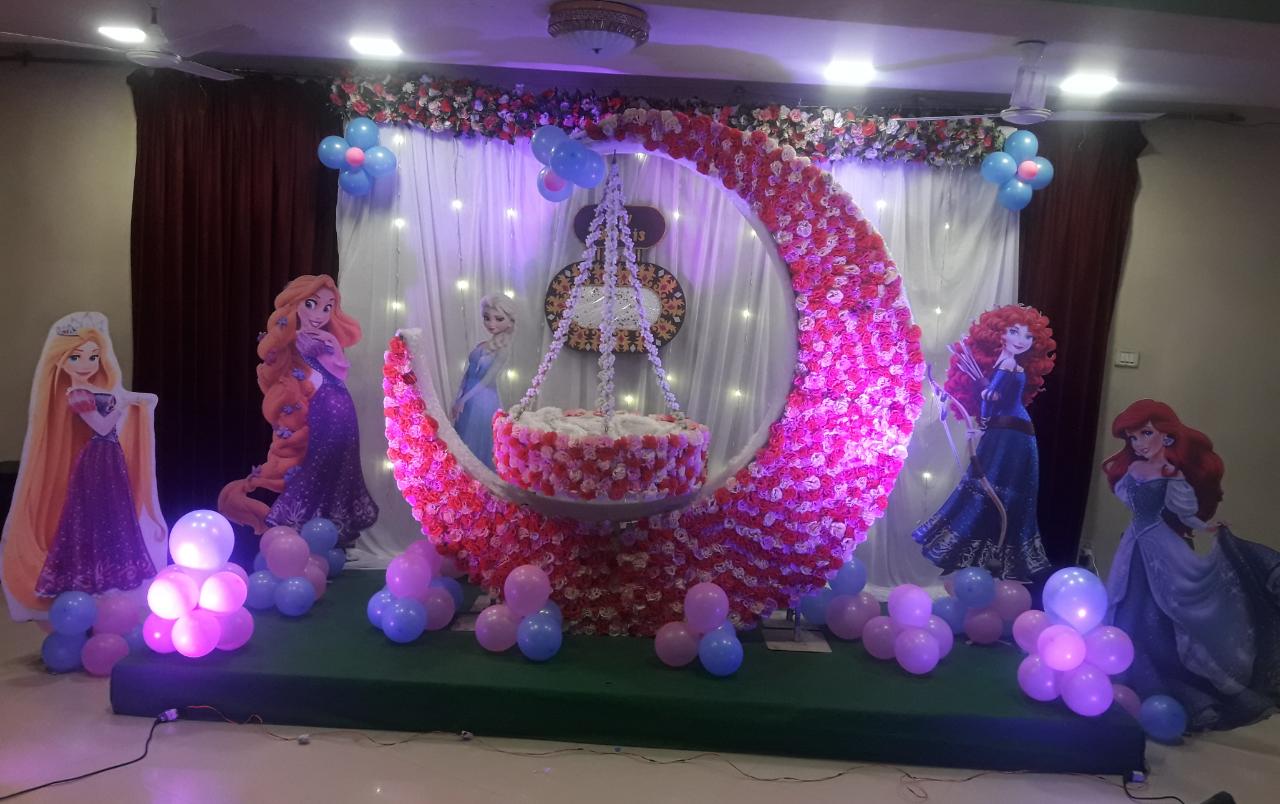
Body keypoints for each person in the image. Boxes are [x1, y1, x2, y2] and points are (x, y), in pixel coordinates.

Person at [1104, 399, 1280, 730]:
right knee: (1126, 608)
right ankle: (1133, 677)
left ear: (1167, 435)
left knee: (1160, 615)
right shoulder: (1133, 471)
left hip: (1159, 546)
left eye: (1145, 433)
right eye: (1133, 437)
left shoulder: (1171, 474)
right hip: (1133, 546)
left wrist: (1208, 528)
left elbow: (1185, 513)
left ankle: (1173, 686)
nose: (1139, 443)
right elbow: (1130, 500)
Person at [1, 312, 166, 621]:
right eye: (76, 357)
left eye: (93, 356)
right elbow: (101, 426)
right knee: (91, 516)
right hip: (96, 458)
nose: (86, 363)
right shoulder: (75, 394)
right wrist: (120, 407)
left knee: (114, 514)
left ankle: (107, 576)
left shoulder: (99, 390)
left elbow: (136, 398)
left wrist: (142, 401)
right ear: (62, 361)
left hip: (111, 457)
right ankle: (88, 578)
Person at [219, 275, 377, 546]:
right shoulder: (291, 343)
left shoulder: (326, 339)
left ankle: (333, 534)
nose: (319, 314)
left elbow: (340, 372)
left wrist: (330, 345)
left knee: (342, 469)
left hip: (342, 411)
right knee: (315, 468)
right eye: (311, 304)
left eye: (327, 308)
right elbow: (293, 379)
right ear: (295, 305)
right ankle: (301, 533)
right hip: (320, 414)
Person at [913, 304, 1055, 581]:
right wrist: (982, 415)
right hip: (1008, 432)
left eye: (1028, 336)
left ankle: (989, 558)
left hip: (1012, 436)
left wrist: (983, 413)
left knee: (994, 490)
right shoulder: (1005, 363)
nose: (1021, 340)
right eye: (1014, 332)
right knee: (989, 488)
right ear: (997, 334)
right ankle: (983, 558)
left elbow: (990, 398)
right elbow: (990, 399)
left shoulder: (1010, 365)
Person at [450, 293, 516, 470]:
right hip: (469, 396)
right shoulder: (483, 345)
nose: (491, 323)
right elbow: (468, 373)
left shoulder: (503, 349)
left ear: (510, 322)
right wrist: (459, 396)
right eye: (487, 318)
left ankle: (478, 480)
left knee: (476, 442)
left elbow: (487, 380)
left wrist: (463, 399)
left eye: (498, 319)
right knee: (462, 438)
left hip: (483, 399)